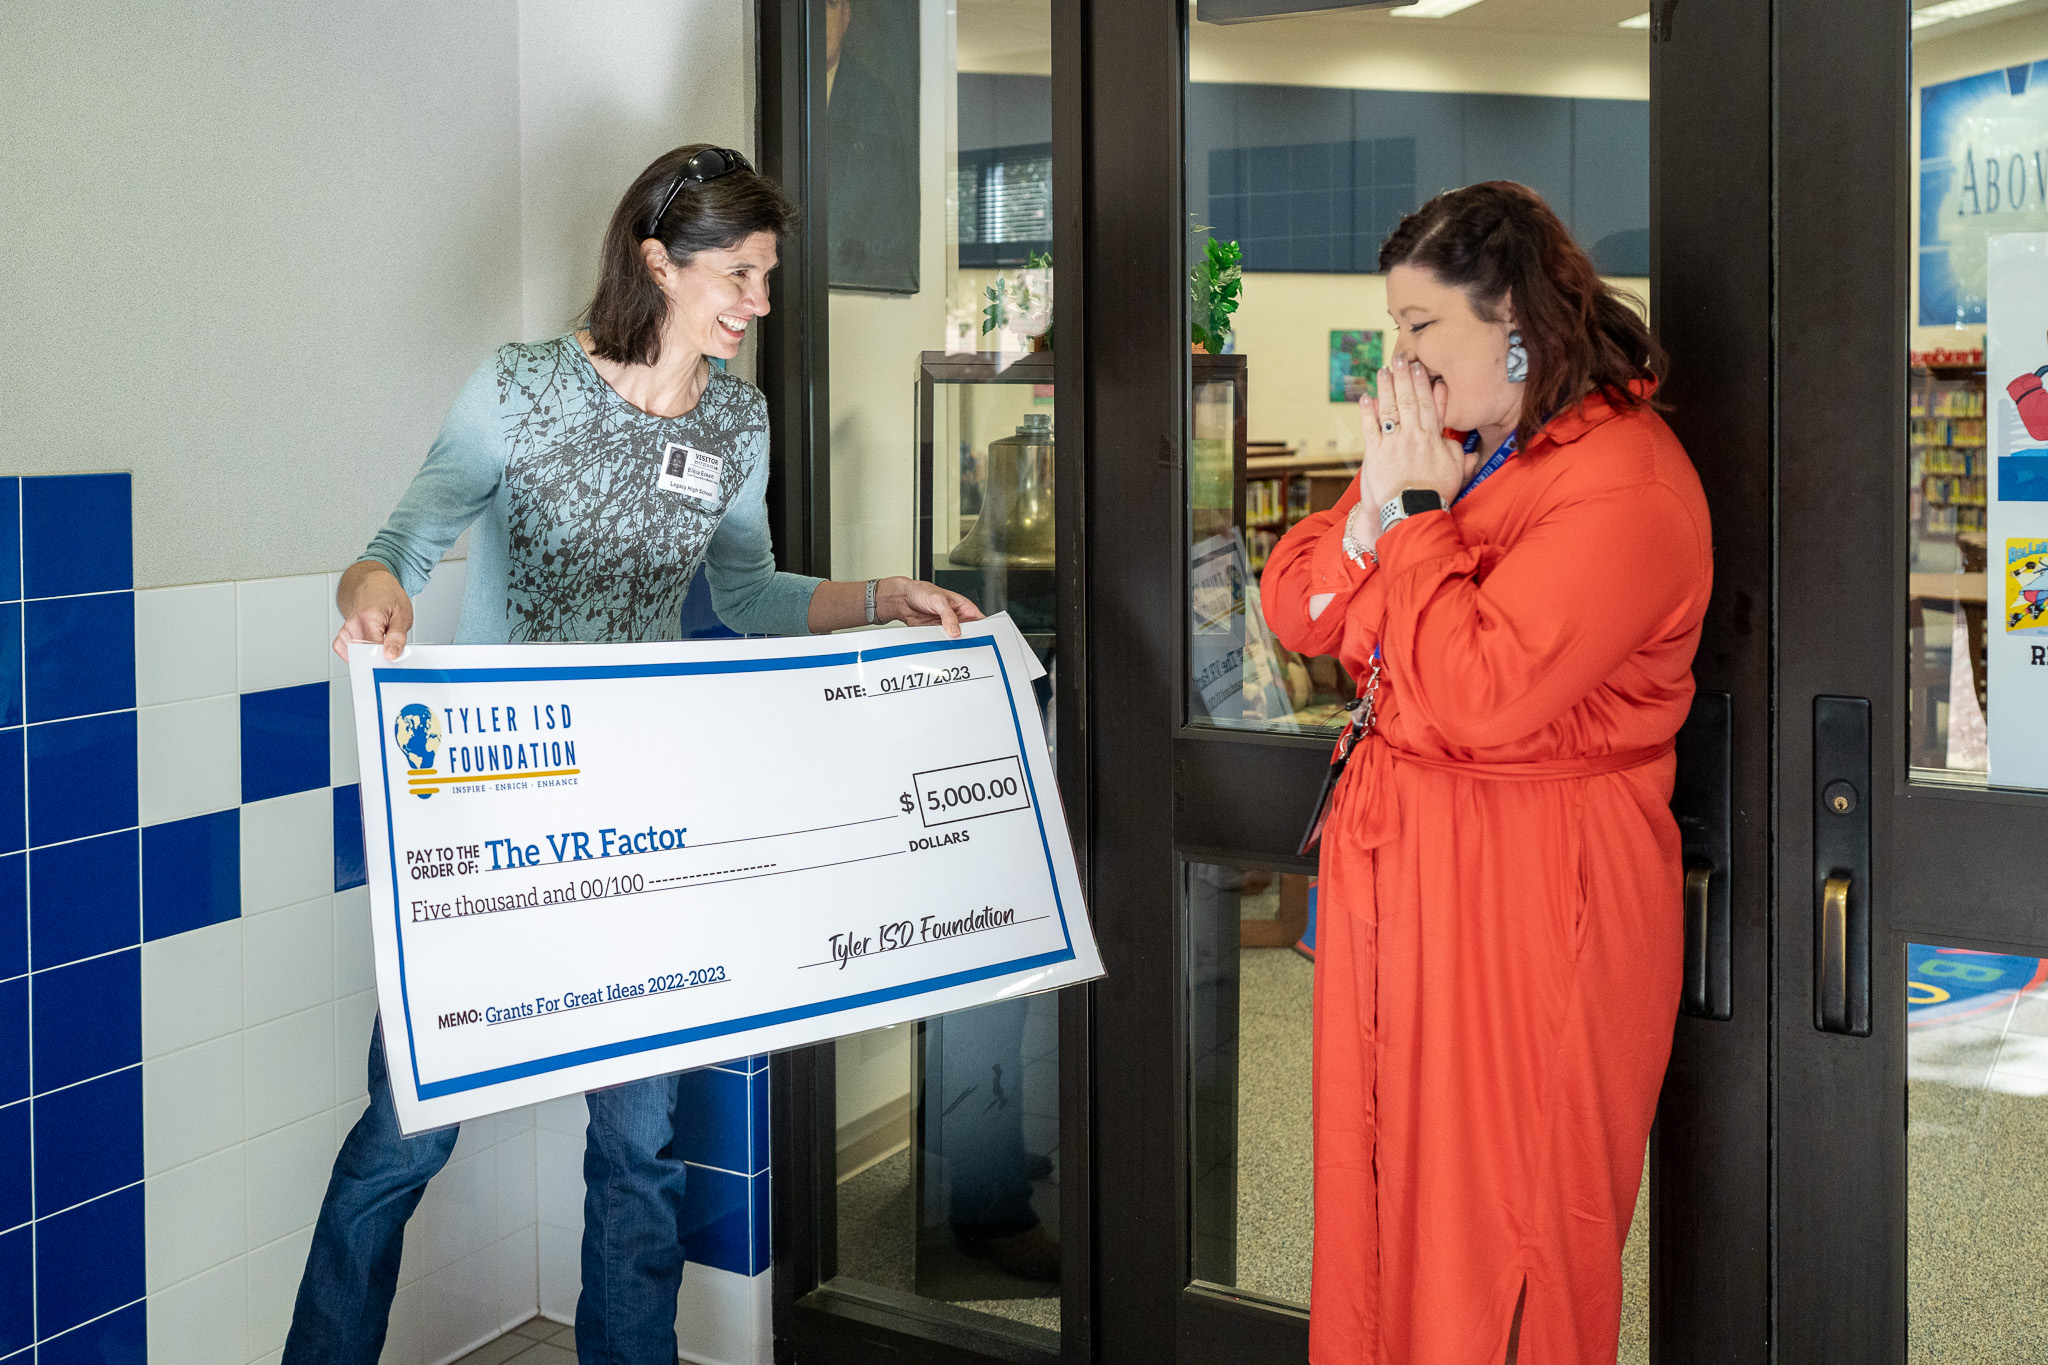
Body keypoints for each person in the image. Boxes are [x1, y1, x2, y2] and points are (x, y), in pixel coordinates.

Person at [286, 143, 981, 1365]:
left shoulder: (737, 418)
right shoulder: (520, 387)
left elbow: (753, 596)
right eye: (741, 275)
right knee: (405, 1137)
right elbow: (397, 541)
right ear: (658, 261)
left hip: (645, 821)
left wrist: (882, 597)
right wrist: (374, 600)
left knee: (639, 1149)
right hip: (492, 820)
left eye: (767, 276)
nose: (759, 303)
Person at [1261, 181, 1711, 1364]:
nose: (1395, 361)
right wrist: (1379, 511)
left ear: (1508, 314)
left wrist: (1407, 521)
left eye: (1418, 330)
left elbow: (1474, 690)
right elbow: (1303, 610)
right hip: (1410, 879)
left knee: (1506, 1228)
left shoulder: (1625, 480)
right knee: (1381, 1195)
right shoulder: (1477, 457)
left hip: (1530, 892)